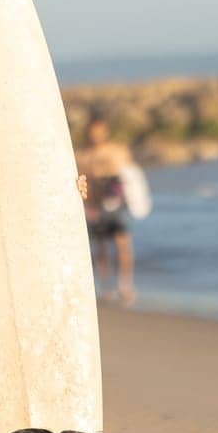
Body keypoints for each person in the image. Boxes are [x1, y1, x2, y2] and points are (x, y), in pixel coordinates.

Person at [76, 117, 137, 305]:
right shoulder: (83, 154)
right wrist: (88, 205)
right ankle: (106, 288)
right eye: (93, 132)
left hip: (115, 203)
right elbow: (83, 180)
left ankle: (125, 286)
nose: (96, 135)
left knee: (122, 244)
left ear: (105, 131)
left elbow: (130, 176)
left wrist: (134, 202)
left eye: (100, 131)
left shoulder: (117, 151)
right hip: (95, 205)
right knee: (100, 247)